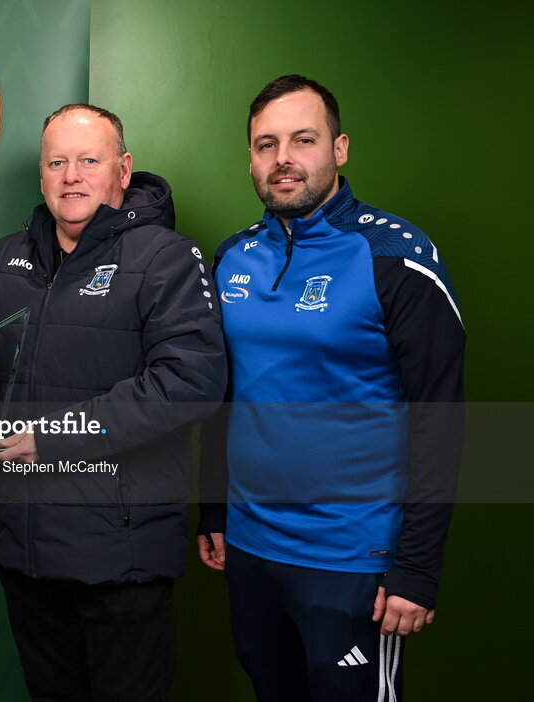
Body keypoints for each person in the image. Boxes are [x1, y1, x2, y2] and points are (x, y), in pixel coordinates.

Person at [0, 104, 227, 701]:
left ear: (123, 170)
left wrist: (48, 437)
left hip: (122, 554)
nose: (71, 176)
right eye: (57, 163)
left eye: (89, 161)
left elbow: (189, 382)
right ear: (42, 175)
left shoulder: (168, 259)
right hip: (25, 548)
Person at [198, 75, 465, 701]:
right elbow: (221, 397)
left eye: (303, 139)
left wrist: (417, 567)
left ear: (339, 149)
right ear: (251, 159)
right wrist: (213, 509)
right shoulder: (233, 257)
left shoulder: (396, 257)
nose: (283, 159)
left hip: (354, 561)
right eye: (266, 144)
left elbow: (441, 419)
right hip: (250, 550)